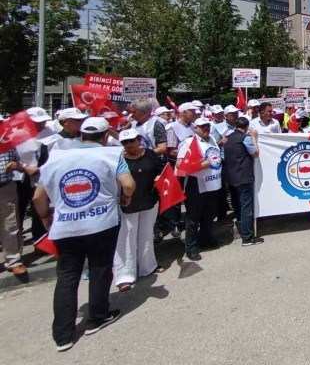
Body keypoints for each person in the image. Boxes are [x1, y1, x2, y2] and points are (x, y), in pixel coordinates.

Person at [33, 117, 136, 352]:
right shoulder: (112, 154)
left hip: (65, 226)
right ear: (106, 135)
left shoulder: (56, 157)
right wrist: (125, 198)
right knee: (100, 269)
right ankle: (97, 316)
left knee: (67, 277)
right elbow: (129, 184)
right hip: (102, 223)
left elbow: (38, 196)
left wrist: (45, 217)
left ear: (82, 135)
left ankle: (63, 335)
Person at [113, 129, 166, 292]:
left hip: (149, 200)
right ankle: (124, 275)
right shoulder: (119, 158)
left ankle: (148, 266)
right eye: (125, 142)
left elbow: (162, 170)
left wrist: (160, 176)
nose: (128, 144)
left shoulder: (150, 154)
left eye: (131, 140)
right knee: (126, 238)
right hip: (128, 203)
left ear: (139, 140)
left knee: (146, 234)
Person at [176, 118, 222, 261]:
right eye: (202, 126)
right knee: (193, 218)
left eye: (207, 126)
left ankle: (206, 240)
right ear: (195, 128)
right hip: (196, 184)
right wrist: (199, 165)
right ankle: (191, 247)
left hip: (213, 184)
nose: (206, 128)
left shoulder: (212, 139)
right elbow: (179, 164)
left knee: (208, 215)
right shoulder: (189, 142)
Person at [14, 107, 56, 243]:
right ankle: (16, 240)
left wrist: (42, 168)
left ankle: (40, 242)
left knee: (39, 209)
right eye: (37, 122)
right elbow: (9, 155)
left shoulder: (50, 132)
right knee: (17, 210)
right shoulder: (15, 133)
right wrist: (24, 167)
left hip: (41, 175)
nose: (41, 124)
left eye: (43, 121)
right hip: (19, 177)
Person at [222, 117, 263, 246]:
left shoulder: (227, 138)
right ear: (246, 128)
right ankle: (247, 237)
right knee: (246, 207)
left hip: (230, 176)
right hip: (243, 176)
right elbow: (255, 153)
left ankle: (241, 225)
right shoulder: (245, 138)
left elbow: (224, 155)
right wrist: (254, 138)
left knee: (237, 204)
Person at [160, 102, 197, 241]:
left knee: (190, 193)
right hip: (177, 165)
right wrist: (187, 154)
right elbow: (171, 150)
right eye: (192, 111)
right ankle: (174, 224)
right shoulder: (172, 128)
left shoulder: (193, 127)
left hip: (191, 166)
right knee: (176, 195)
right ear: (183, 113)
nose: (195, 113)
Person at [1, 146, 28, 275]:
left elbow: (19, 162)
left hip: (5, 187)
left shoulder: (7, 143)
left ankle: (14, 261)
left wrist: (16, 165)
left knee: (10, 225)